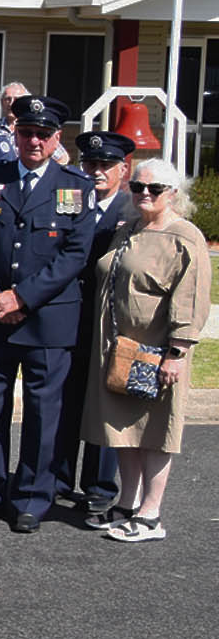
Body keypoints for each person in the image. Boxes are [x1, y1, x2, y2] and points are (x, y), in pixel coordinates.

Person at [0, 95, 96, 534]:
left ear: (57, 138)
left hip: (47, 318)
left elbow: (75, 254)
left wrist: (23, 297)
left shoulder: (75, 185)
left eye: (42, 134)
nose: (33, 140)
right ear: (14, 135)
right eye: (26, 133)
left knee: (42, 411)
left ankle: (33, 497)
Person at [83, 157, 210, 543]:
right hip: (121, 351)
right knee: (124, 429)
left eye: (155, 189)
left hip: (157, 354)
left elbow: (191, 300)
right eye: (138, 187)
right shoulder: (129, 230)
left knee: (155, 433)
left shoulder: (185, 237)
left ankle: (151, 515)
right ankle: (127, 503)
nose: (145, 194)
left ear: (174, 193)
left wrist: (177, 352)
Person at [54, 131, 132, 515]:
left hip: (110, 321)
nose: (96, 172)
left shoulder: (132, 212)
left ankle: (99, 486)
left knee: (104, 402)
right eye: (90, 164)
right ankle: (59, 477)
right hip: (69, 314)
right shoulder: (70, 199)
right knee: (65, 399)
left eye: (105, 165)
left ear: (123, 169)